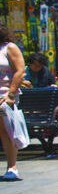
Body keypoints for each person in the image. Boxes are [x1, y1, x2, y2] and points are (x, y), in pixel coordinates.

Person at [0, 25, 25, 181]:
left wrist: (11, 93)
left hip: (3, 95)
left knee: (5, 131)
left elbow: (20, 70)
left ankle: (12, 167)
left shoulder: (9, 48)